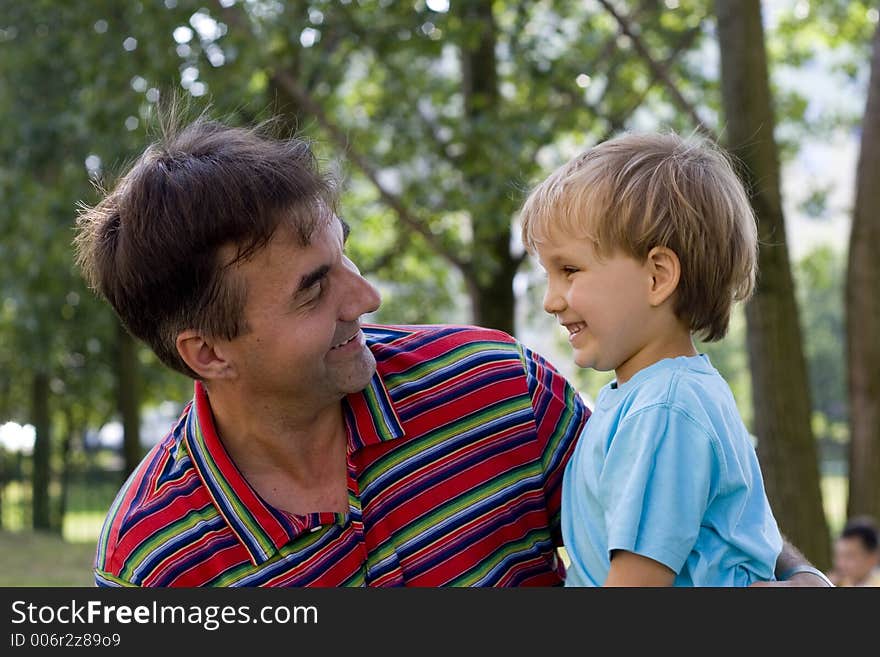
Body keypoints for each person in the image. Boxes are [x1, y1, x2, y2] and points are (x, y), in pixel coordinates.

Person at [75, 113, 825, 586]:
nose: (365, 298)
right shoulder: (155, 556)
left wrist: (798, 576)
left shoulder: (498, 387)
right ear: (208, 353)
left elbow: (675, 495)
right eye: (313, 289)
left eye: (347, 257)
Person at [519, 132, 785, 586]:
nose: (551, 301)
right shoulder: (647, 396)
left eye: (569, 270)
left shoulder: (663, 410)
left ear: (657, 277)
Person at [829, 516, 880, 587]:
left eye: (849, 556)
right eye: (838, 556)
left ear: (872, 558)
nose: (840, 564)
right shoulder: (837, 583)